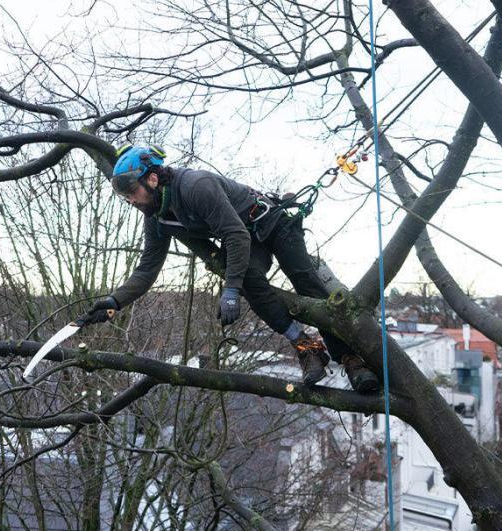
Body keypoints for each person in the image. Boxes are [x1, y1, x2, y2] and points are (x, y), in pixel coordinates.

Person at [84, 145, 379, 393]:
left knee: (307, 286)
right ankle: (307, 348)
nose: (130, 201)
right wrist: (115, 301)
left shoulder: (195, 186)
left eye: (131, 192)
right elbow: (147, 268)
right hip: (247, 238)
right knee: (251, 283)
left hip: (273, 224)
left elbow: (234, 235)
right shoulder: (157, 216)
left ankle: (351, 358)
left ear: (151, 179)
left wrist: (230, 290)